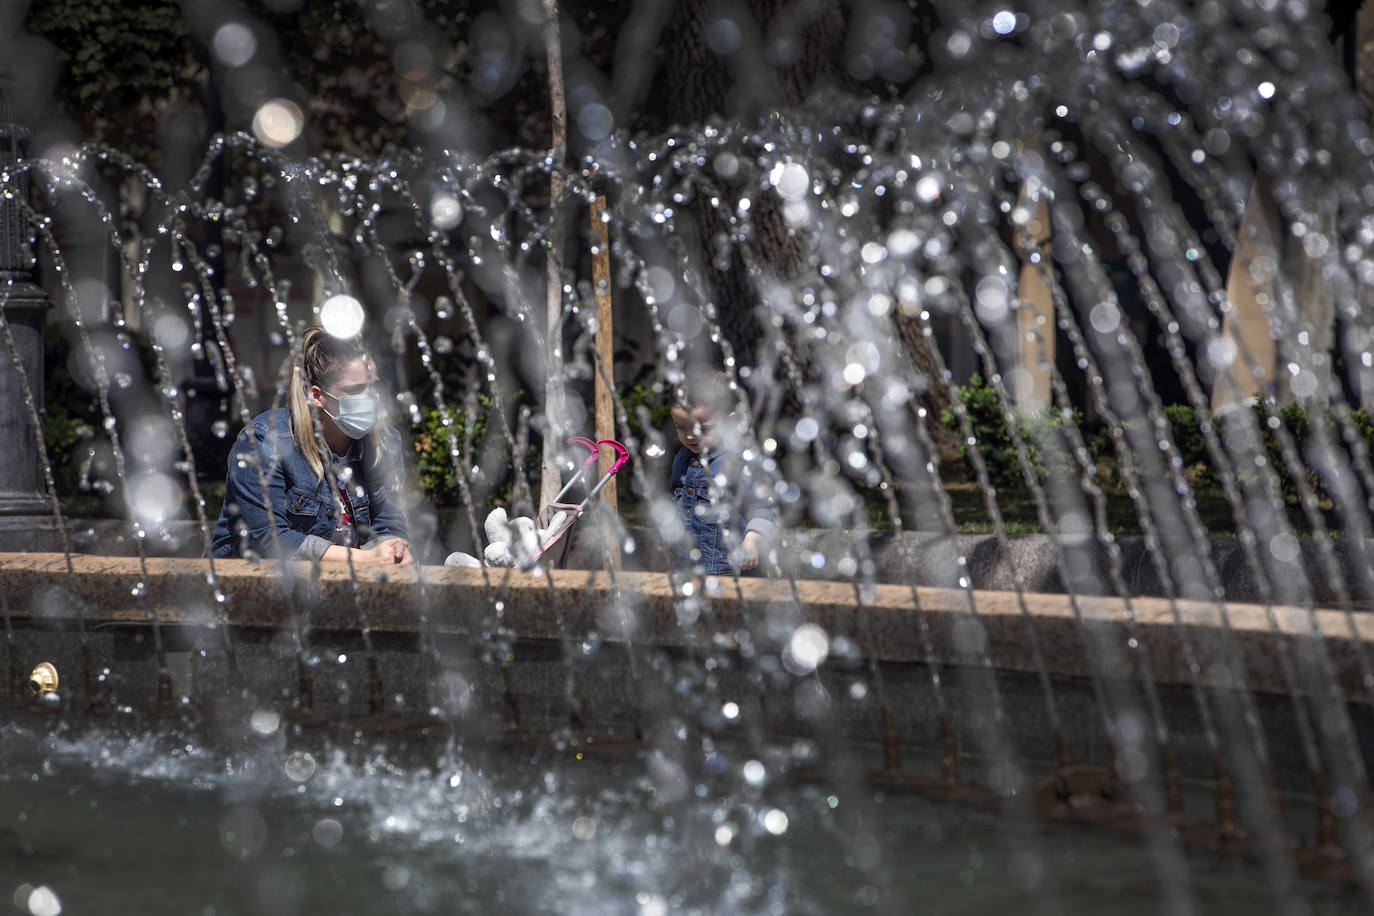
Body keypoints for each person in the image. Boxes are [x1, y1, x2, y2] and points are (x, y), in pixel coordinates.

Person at [211, 326, 413, 564]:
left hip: (344, 587)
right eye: (355, 390)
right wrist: (362, 559)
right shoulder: (265, 441)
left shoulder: (385, 442)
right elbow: (267, 538)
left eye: (374, 386)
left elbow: (390, 523)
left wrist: (393, 549)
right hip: (258, 586)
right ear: (317, 396)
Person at [668, 369, 776, 575]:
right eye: (681, 427)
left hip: (728, 569)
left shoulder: (740, 461)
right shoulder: (683, 458)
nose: (691, 436)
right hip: (685, 566)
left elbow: (762, 506)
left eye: (703, 429)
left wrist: (752, 541)